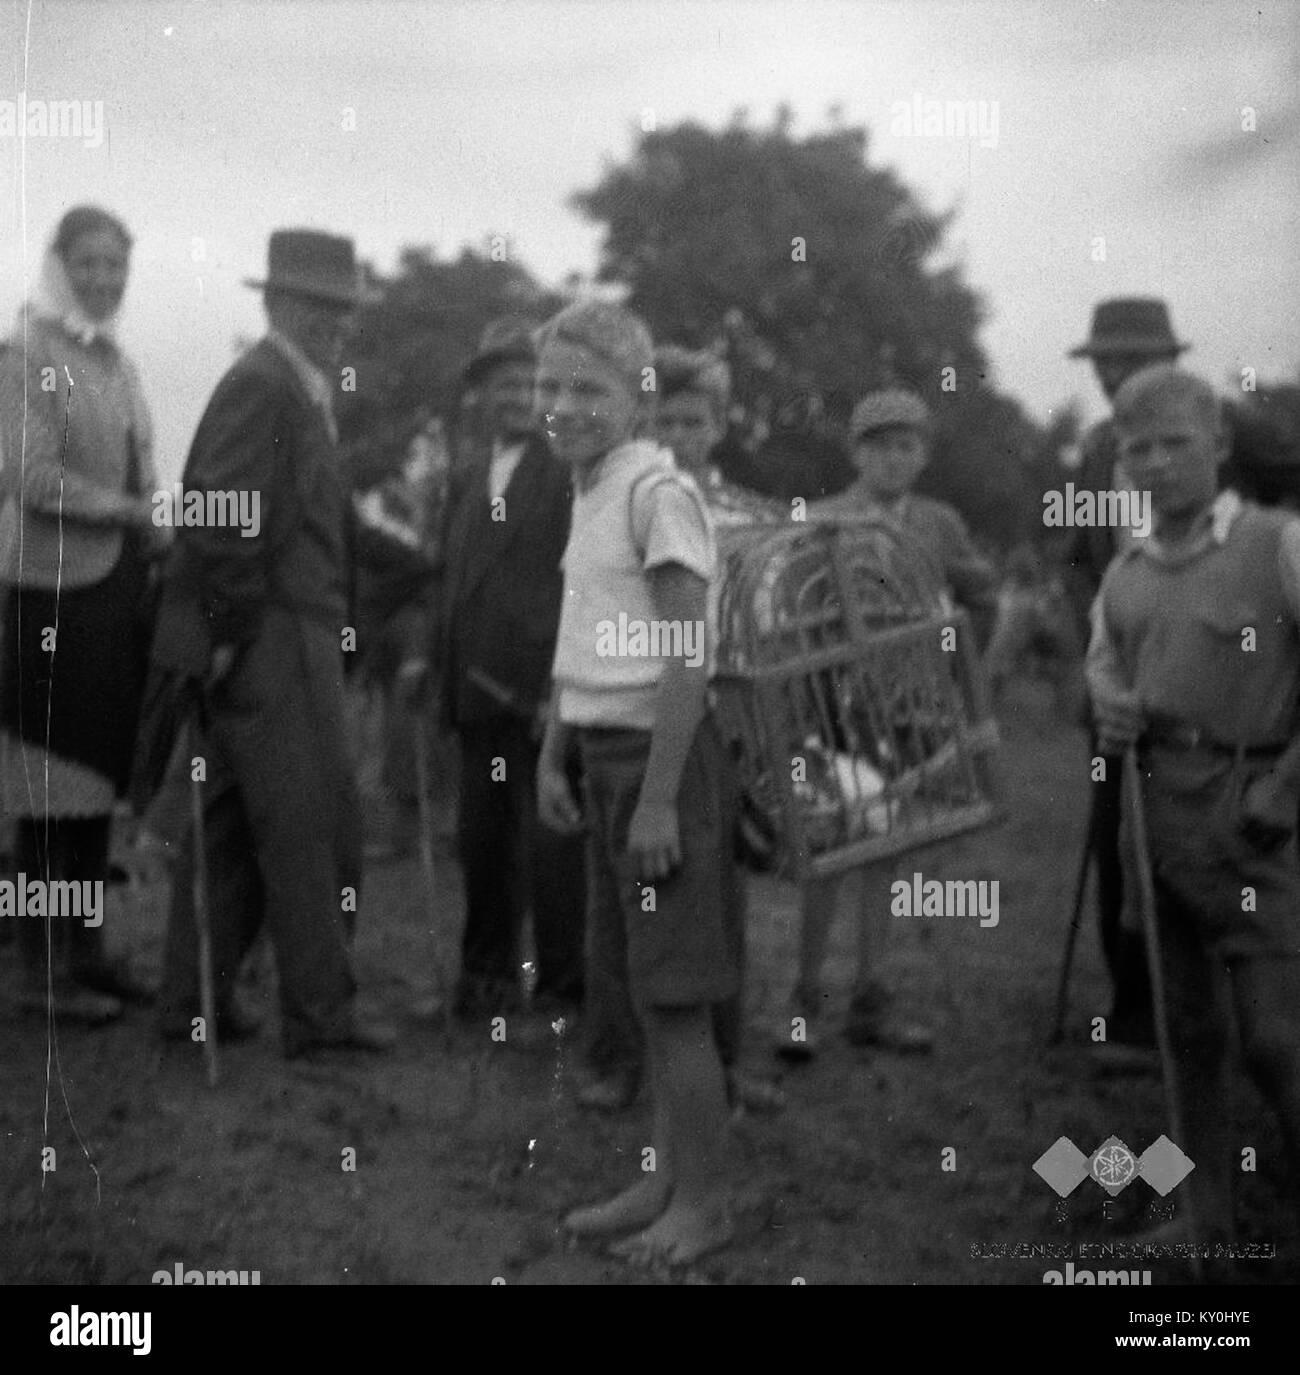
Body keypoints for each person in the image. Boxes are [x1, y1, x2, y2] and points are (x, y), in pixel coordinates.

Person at [150, 228, 394, 1059]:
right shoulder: (265, 385)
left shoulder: (295, 387)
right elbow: (218, 507)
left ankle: (193, 1004)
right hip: (273, 634)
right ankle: (322, 1016)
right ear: (276, 303)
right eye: (318, 306)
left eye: (343, 310)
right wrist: (228, 629)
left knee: (222, 823)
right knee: (311, 824)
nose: (335, 324)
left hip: (269, 632)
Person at [536, 301, 737, 1266]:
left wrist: (658, 798)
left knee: (678, 996)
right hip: (604, 761)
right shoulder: (589, 488)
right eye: (551, 387)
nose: (564, 405)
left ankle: (707, 1200)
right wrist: (550, 756)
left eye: (589, 388)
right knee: (639, 983)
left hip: (664, 765)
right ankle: (662, 1176)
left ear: (639, 395)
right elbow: (583, 644)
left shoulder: (658, 494)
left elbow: (686, 657)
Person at [1086, 364, 1300, 1248]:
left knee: (1274, 1038)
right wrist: (1107, 704)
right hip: (1157, 816)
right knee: (1187, 1034)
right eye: (1139, 448)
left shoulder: (1278, 543)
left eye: (1177, 443)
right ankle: (1202, 1212)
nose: (1158, 462)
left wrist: (1285, 787)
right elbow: (1102, 667)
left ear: (1217, 446)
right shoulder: (1126, 570)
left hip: (1256, 812)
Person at [574, 344, 783, 1114]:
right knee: (621, 900)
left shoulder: (743, 516)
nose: (680, 434)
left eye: (694, 421)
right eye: (665, 420)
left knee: (714, 900)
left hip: (724, 716)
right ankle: (615, 1057)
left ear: (718, 426)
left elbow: (763, 619)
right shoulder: (624, 496)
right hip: (642, 714)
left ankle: (718, 1064)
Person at [780, 388, 997, 1059]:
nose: (893, 459)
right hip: (836, 708)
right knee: (831, 848)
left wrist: (960, 668)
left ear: (924, 454)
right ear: (855, 452)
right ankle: (804, 1003)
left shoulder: (939, 522)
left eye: (906, 446)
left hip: (910, 711)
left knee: (890, 852)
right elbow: (788, 609)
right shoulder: (822, 519)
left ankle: (870, 998)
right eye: (878, 445)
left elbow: (980, 594)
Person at [0, 205, 166, 1025]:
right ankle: (39, 967)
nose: (104, 280)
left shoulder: (120, 364)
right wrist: (131, 512)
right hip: (49, 594)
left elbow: (143, 467)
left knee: (97, 775)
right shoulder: (23, 352)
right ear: (60, 264)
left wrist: (156, 525)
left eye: (117, 266)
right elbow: (30, 478)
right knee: (49, 782)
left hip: (114, 592)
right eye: (90, 264)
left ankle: (88, 952)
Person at [402, 318, 586, 1026]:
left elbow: (581, 585)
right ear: (479, 396)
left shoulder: (570, 469)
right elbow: (443, 577)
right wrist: (426, 654)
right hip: (474, 690)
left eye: (527, 383)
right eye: (500, 384)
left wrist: (560, 688)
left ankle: (566, 983)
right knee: (483, 841)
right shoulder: (465, 477)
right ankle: (486, 977)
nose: (514, 397)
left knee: (553, 841)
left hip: (543, 690)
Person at [1065, 298, 1190, 1060]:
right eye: (1105, 363)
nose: (1114, 375)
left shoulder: (1217, 436)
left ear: (1170, 361)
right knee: (1116, 838)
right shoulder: (1096, 449)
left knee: (1196, 848)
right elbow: (1077, 561)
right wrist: (1099, 641)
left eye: (1130, 359)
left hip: (1207, 673)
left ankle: (1205, 1011)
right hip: (1119, 673)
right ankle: (1133, 1008)